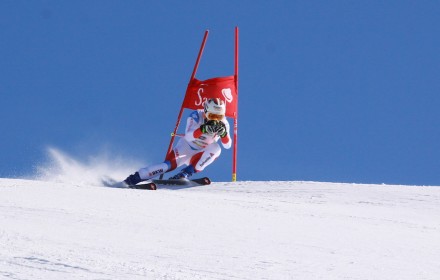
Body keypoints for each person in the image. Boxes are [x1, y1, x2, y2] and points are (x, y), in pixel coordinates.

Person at [121, 98, 231, 186]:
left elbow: (227, 145)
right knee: (166, 167)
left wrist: (224, 134)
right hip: (186, 147)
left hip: (201, 153)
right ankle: (133, 179)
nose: (215, 120)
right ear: (206, 111)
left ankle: (185, 174)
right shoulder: (196, 116)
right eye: (212, 116)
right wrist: (203, 129)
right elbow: (189, 136)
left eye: (219, 116)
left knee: (216, 148)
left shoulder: (224, 123)